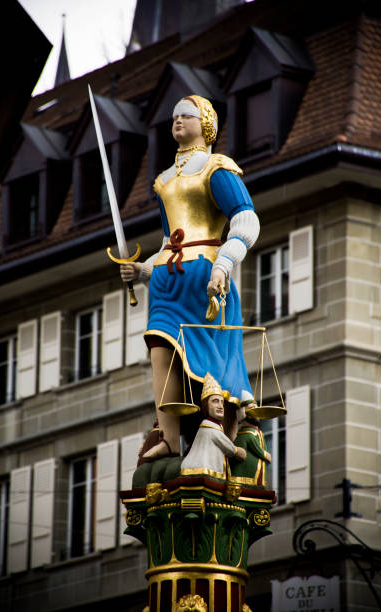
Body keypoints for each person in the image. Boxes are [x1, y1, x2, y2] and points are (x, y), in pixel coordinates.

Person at [121, 94, 260, 461]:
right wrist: (142, 269)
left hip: (205, 275)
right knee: (159, 347)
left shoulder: (216, 168)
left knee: (211, 364)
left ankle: (220, 430)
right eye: (174, 116)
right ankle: (167, 435)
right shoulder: (165, 181)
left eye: (187, 115)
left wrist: (224, 265)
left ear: (206, 123)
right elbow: (169, 240)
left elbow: (246, 219)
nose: (178, 120)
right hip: (167, 278)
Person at [181, 374, 246, 478]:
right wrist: (237, 451)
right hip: (202, 469)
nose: (220, 406)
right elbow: (225, 444)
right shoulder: (209, 428)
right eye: (215, 401)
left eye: (222, 403)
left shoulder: (216, 427)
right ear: (206, 406)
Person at [229, 415, 271, 486]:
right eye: (251, 408)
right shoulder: (246, 434)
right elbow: (256, 448)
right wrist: (265, 455)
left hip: (255, 479)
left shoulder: (256, 432)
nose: (256, 412)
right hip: (243, 479)